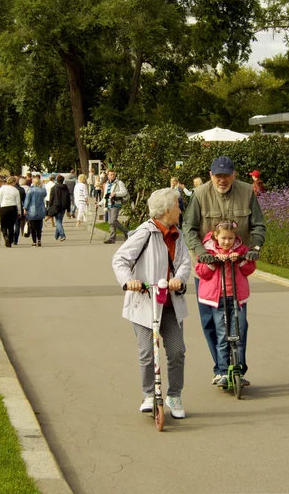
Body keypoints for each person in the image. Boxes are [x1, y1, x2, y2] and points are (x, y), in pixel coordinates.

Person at [183, 156, 265, 387]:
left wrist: (255, 247)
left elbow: (259, 225)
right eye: (218, 176)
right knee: (211, 321)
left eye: (226, 176)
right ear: (211, 175)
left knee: (240, 322)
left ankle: (238, 368)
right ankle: (220, 368)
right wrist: (201, 252)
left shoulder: (247, 192)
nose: (222, 180)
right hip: (208, 270)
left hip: (236, 267)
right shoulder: (200, 194)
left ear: (234, 175)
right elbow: (188, 228)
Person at [112, 188, 191, 419]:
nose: (180, 208)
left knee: (176, 351)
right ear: (168, 210)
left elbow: (185, 261)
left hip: (170, 304)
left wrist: (179, 279)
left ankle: (174, 395)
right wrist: (129, 282)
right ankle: (149, 394)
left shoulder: (179, 233)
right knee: (148, 351)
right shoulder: (144, 233)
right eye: (178, 205)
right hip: (146, 304)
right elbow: (120, 259)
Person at [194, 221, 256, 387]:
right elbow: (201, 272)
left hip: (237, 299)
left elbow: (249, 269)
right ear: (215, 236)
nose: (227, 242)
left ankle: (239, 370)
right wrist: (213, 261)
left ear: (235, 237)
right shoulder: (208, 250)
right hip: (218, 299)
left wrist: (240, 259)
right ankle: (222, 371)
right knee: (222, 335)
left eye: (230, 238)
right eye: (223, 238)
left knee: (239, 334)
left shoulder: (240, 250)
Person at [99, 169, 129, 244]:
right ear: (108, 176)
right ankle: (112, 238)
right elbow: (105, 196)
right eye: (111, 174)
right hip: (108, 204)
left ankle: (127, 232)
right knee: (110, 222)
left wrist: (115, 193)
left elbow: (124, 192)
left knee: (113, 221)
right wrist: (100, 203)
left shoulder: (119, 183)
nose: (112, 176)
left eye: (113, 174)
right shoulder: (107, 184)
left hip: (116, 203)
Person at [0, 176, 22, 248]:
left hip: (4, 208)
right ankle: (11, 239)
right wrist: (19, 212)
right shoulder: (16, 190)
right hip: (13, 208)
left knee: (3, 225)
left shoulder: (2, 188)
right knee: (11, 226)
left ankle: (5, 236)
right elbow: (18, 202)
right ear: (14, 182)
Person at [23, 176, 47, 246]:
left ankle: (34, 242)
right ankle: (39, 240)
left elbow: (27, 200)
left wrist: (25, 208)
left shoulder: (31, 190)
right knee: (39, 227)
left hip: (32, 210)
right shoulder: (42, 189)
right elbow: (45, 195)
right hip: (41, 209)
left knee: (33, 227)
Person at [47, 175, 71, 242]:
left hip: (56, 206)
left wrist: (49, 207)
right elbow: (68, 199)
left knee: (58, 221)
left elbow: (51, 199)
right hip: (63, 206)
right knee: (59, 221)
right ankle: (56, 235)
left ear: (57, 180)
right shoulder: (66, 188)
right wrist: (68, 210)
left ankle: (62, 235)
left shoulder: (54, 188)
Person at [12, 176, 27, 245]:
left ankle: (11, 238)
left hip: (11, 207)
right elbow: (24, 200)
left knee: (11, 225)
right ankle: (16, 240)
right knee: (17, 224)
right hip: (19, 207)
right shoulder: (21, 189)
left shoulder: (11, 189)